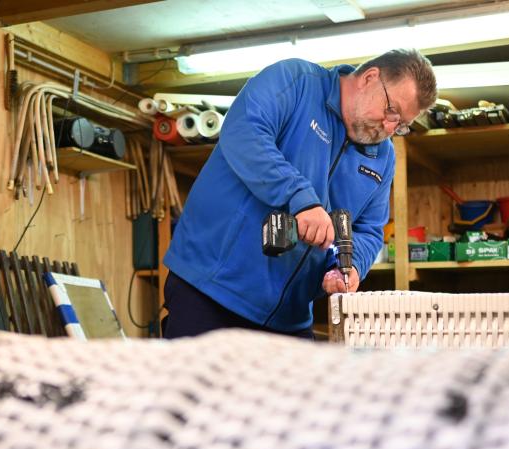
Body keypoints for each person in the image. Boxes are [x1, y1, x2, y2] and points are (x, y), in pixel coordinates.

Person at [162, 49, 437, 339]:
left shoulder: (383, 157)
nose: (390, 127)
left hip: (288, 317)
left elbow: (368, 230)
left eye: (402, 125)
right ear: (369, 78)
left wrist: (351, 265)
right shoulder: (295, 82)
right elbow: (245, 131)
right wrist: (300, 199)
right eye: (391, 110)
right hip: (211, 290)